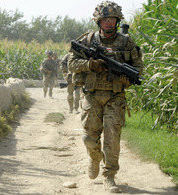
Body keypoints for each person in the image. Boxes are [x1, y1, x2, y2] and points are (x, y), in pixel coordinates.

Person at [68, 1, 143, 193]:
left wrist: (128, 79)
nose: (109, 23)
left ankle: (109, 176)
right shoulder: (87, 40)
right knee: (89, 137)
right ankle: (94, 158)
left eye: (112, 19)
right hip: (92, 95)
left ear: (117, 21)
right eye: (105, 19)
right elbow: (71, 62)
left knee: (112, 138)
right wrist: (89, 65)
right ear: (98, 21)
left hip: (115, 96)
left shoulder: (127, 42)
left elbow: (138, 67)